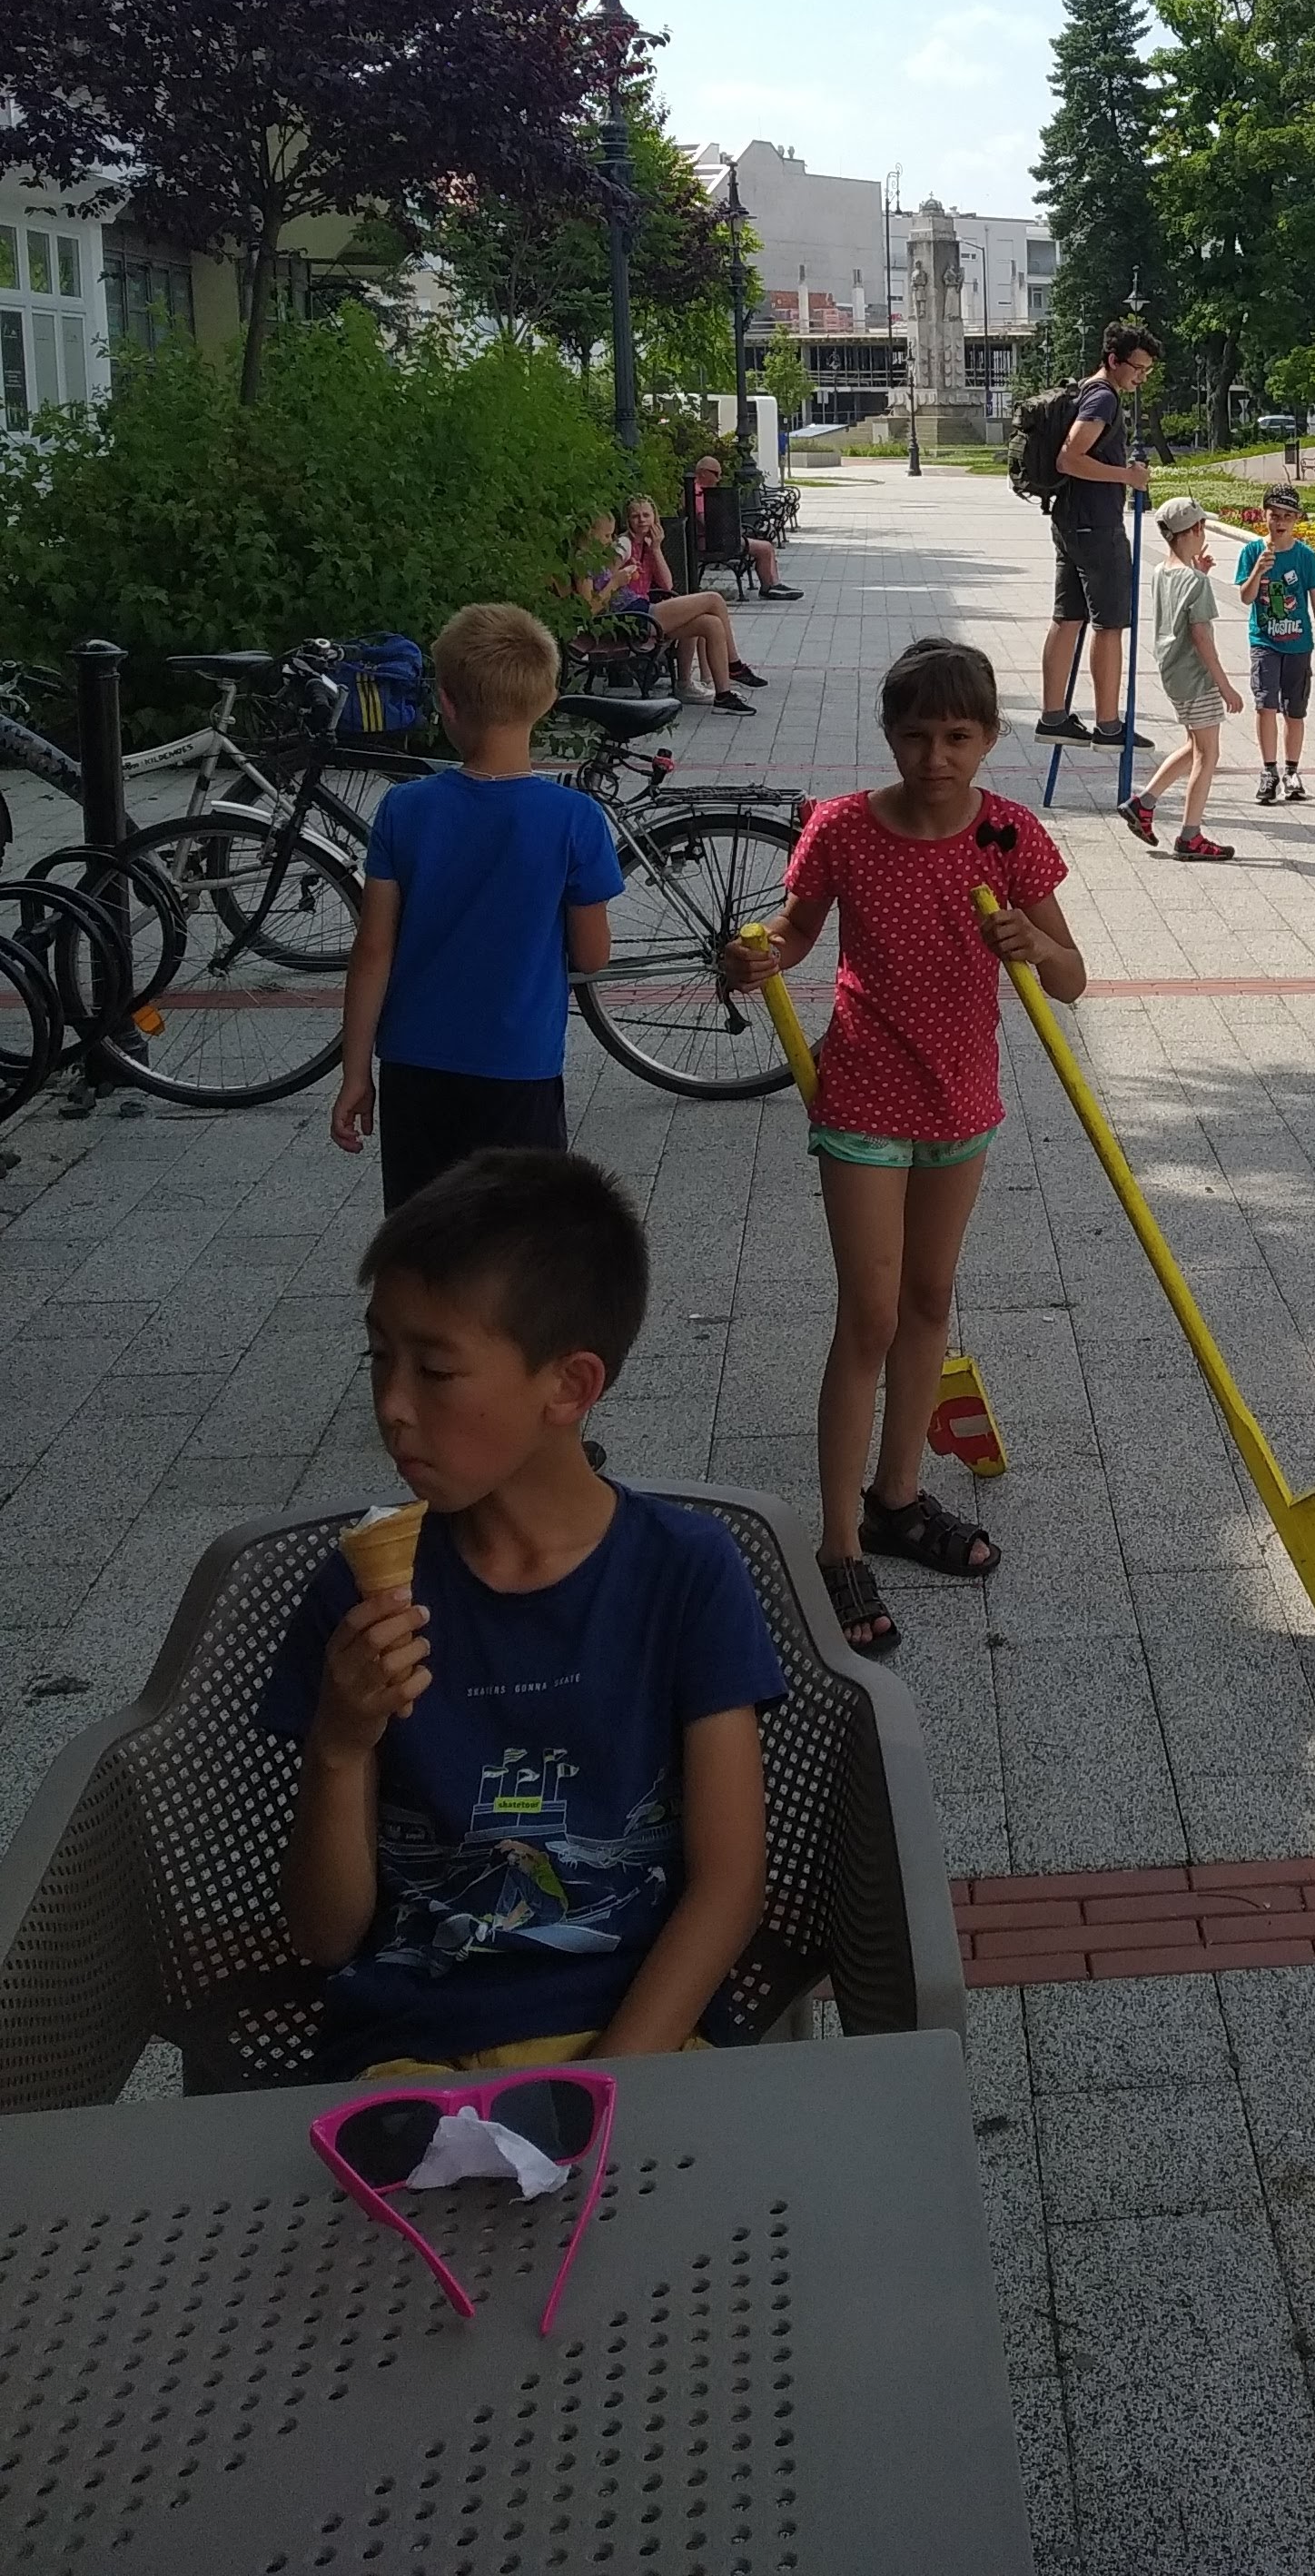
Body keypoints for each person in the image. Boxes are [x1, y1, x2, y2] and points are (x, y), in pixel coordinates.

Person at [263, 1151, 781, 2075]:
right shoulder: (361, 1597)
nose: (392, 1405)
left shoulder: (685, 1572)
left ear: (570, 1387)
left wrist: (602, 2085)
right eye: (379, 1357)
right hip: (412, 2053)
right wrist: (338, 1743)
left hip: (641, 2040)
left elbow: (729, 1884)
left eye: (436, 1369)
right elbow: (324, 1935)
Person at [722, 638, 1085, 1651]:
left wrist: (1034, 944)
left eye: (958, 737)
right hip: (864, 1096)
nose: (936, 757)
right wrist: (758, 955)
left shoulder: (1008, 835)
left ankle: (898, 1495)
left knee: (930, 1300)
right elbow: (796, 931)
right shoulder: (843, 827)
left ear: (990, 738)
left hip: (961, 1100)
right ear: (889, 734)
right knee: (870, 1315)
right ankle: (839, 1542)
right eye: (917, 735)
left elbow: (1072, 978)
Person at [333, 605, 625, 1210]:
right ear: (548, 701)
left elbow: (373, 949)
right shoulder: (574, 819)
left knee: (422, 1225)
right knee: (516, 1231)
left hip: (415, 1063)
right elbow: (593, 955)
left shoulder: (405, 809)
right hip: (519, 1067)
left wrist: (356, 1071)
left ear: (445, 701)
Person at [1037, 322, 1160, 752]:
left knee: (1068, 618)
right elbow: (1070, 458)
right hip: (1097, 526)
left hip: (1071, 521)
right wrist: (1127, 476)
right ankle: (1108, 725)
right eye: (1137, 368)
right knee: (1109, 624)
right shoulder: (1103, 397)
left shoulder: (1085, 391)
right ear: (1113, 360)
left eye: (1146, 371)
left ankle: (1053, 717)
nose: (1141, 378)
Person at [1122, 496, 1241, 857]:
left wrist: (1198, 571)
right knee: (1208, 754)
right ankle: (1190, 836)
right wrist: (1225, 686)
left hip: (1173, 673)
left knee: (1194, 745)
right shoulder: (1196, 582)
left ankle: (1144, 803)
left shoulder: (1162, 571)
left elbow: (1177, 607)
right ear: (1196, 529)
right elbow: (1201, 635)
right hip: (1197, 676)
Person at [578, 507, 757, 713]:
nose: (611, 541)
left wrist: (625, 575)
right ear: (589, 534)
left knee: (711, 623)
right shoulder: (583, 563)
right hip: (631, 618)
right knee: (713, 600)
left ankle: (723, 697)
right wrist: (615, 582)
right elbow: (589, 610)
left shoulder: (598, 558)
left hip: (638, 611)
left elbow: (666, 584)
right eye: (606, 536)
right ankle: (734, 666)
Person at [1236, 482, 1315, 804]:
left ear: (1297, 519)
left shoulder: (1305, 556)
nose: (1280, 522)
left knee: (1295, 710)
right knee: (1265, 705)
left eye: (1287, 516)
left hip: (1298, 643)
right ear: (1263, 515)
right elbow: (1246, 597)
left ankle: (1292, 770)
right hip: (1265, 641)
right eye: (1274, 515)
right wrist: (1258, 571)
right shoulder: (1252, 552)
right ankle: (1269, 771)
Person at [686, 451, 801, 601]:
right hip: (712, 541)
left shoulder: (698, 491)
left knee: (766, 546)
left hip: (714, 539)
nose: (718, 479)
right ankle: (769, 587)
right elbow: (706, 521)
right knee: (765, 548)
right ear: (703, 472)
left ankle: (774, 584)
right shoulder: (697, 493)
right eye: (716, 474)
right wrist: (730, 529)